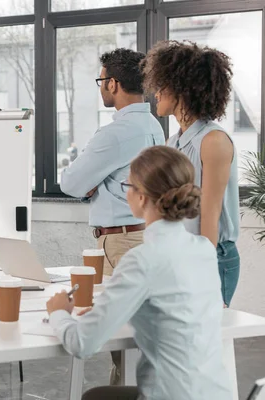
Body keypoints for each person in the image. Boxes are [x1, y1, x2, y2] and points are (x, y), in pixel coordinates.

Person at [47, 146, 232, 400]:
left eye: (128, 186)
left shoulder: (142, 260)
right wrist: (118, 308)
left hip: (169, 395)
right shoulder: (203, 249)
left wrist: (58, 312)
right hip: (215, 393)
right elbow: (175, 310)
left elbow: (82, 343)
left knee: (95, 397)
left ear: (142, 197)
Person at [59, 48, 165, 384]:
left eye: (101, 81)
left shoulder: (114, 134)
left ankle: (124, 392)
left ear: (114, 83)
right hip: (142, 233)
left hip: (120, 241)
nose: (101, 87)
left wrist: (94, 184)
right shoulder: (154, 125)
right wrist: (103, 182)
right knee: (136, 333)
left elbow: (72, 184)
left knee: (119, 333)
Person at [141, 40, 240, 307]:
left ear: (182, 88)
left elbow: (210, 217)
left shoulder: (213, 141)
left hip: (211, 256)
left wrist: (200, 273)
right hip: (180, 253)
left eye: (162, 86)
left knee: (206, 340)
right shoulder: (172, 142)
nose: (156, 93)